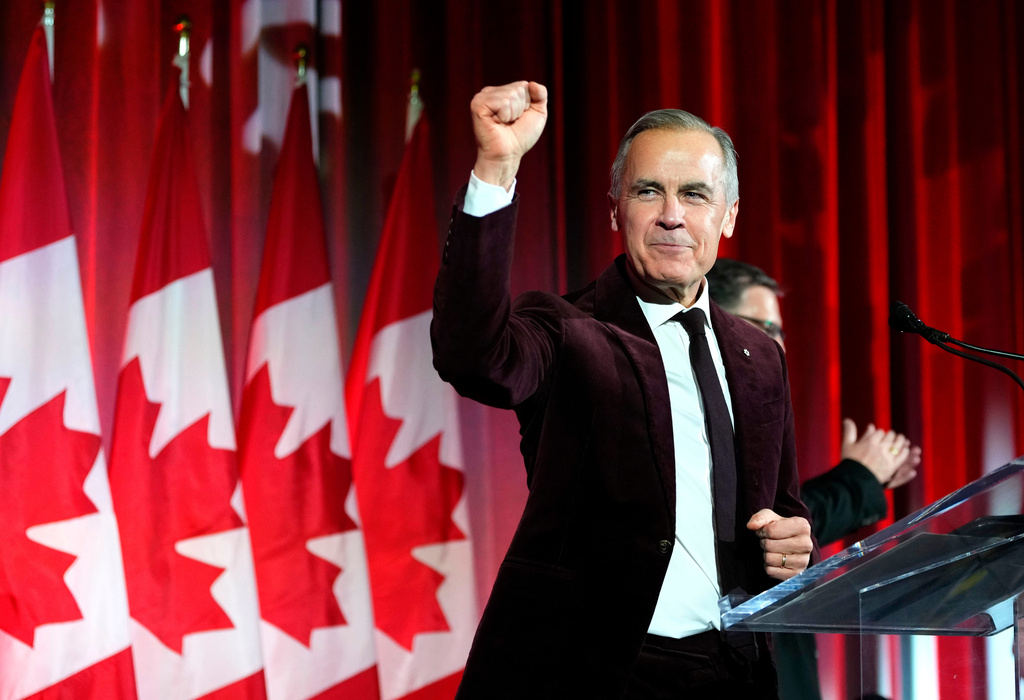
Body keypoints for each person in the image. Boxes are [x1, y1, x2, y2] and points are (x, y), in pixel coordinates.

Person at [431, 80, 814, 699]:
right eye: (647, 191)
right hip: (593, 674)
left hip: (733, 674)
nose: (671, 214)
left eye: (695, 194)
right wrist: (497, 167)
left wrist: (795, 544)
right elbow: (471, 354)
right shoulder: (566, 329)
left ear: (729, 216)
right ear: (616, 210)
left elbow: (784, 508)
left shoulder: (761, 355)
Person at [706, 258, 922, 700]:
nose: (778, 346)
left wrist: (862, 481)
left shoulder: (762, 409)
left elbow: (789, 518)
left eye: (780, 330)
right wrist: (857, 480)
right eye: (762, 326)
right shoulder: (701, 406)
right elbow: (751, 528)